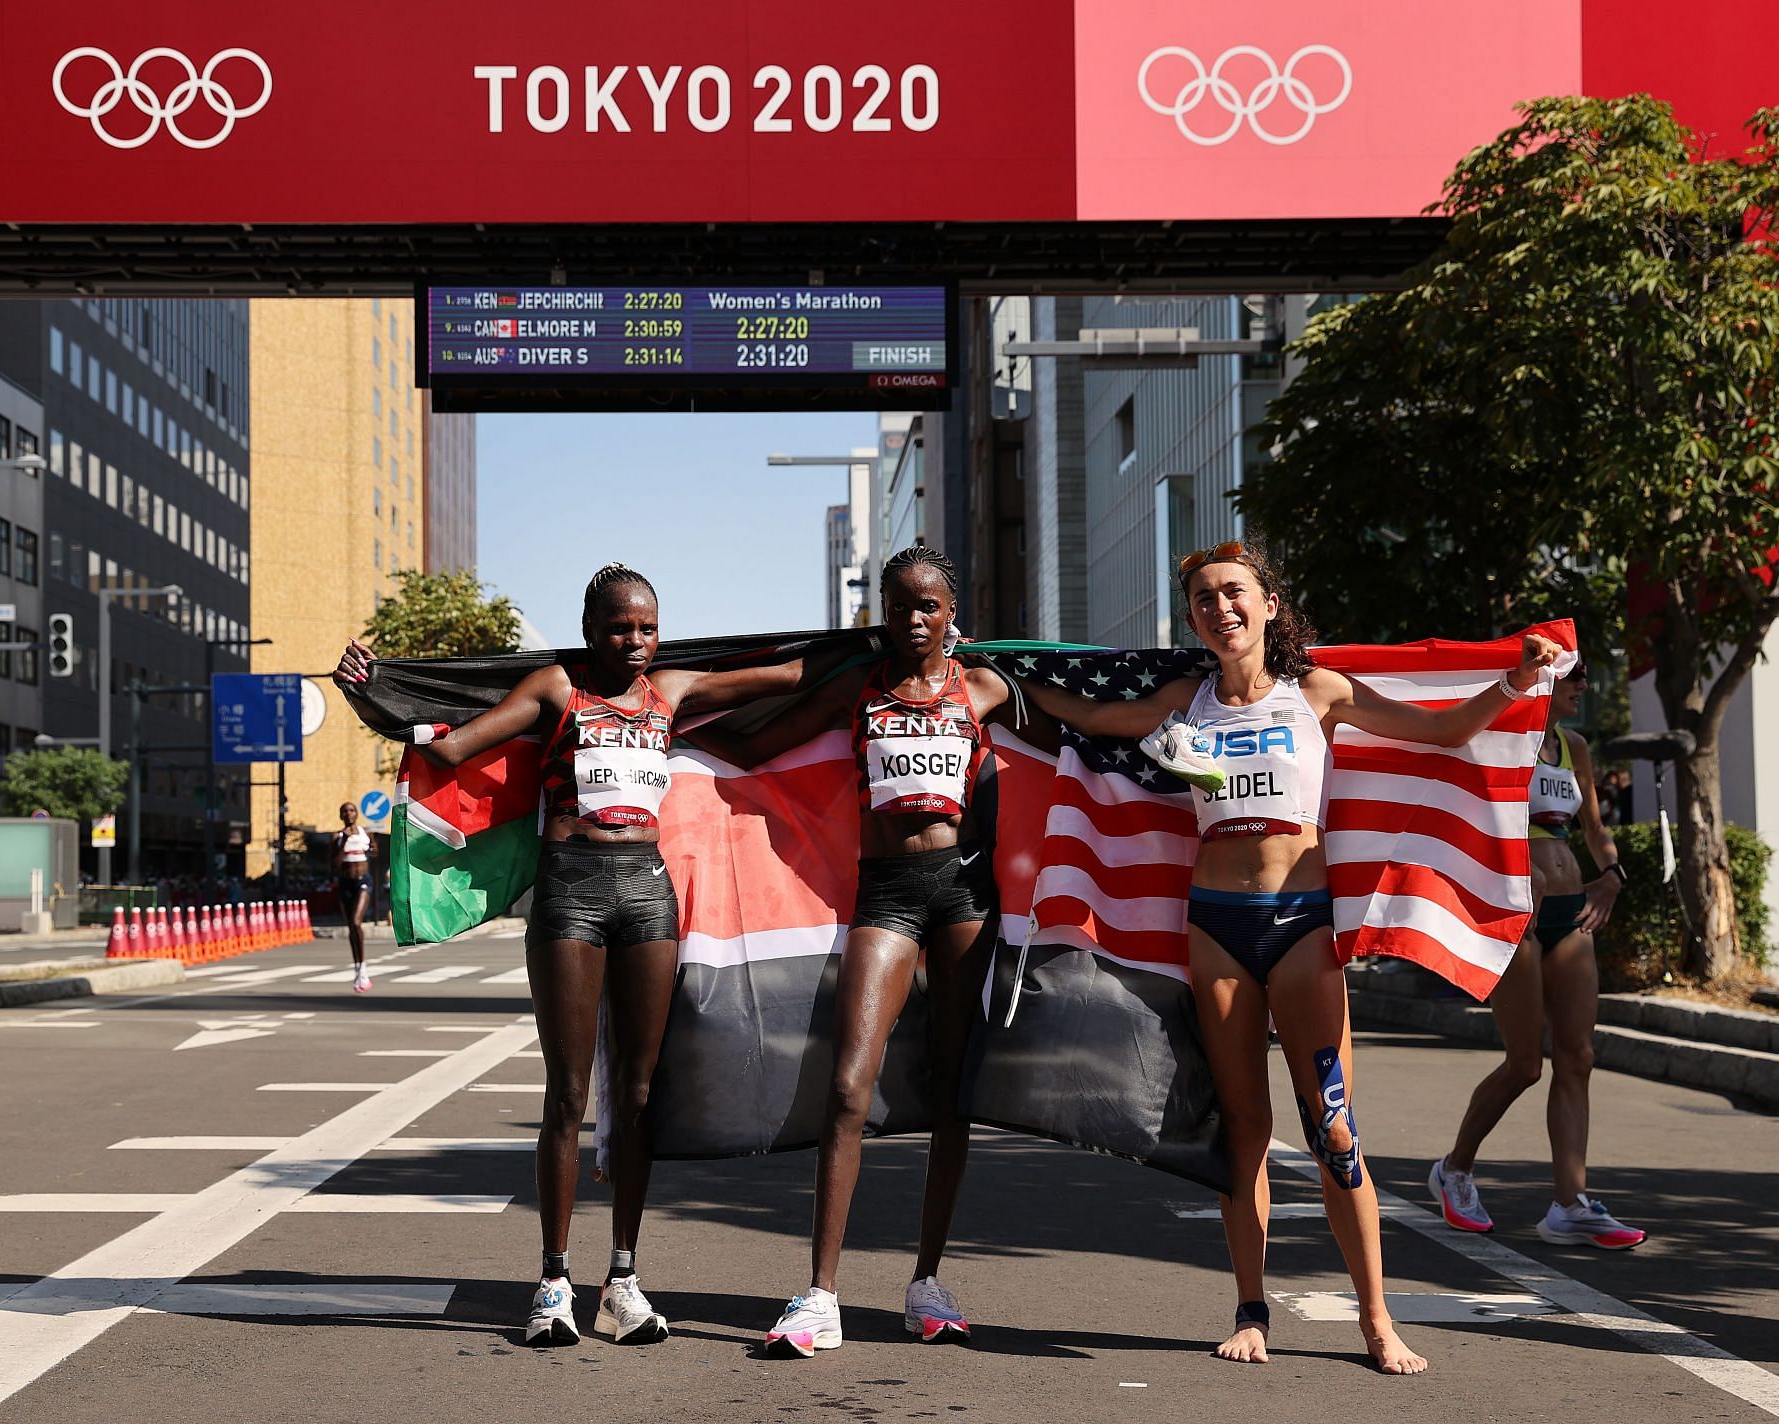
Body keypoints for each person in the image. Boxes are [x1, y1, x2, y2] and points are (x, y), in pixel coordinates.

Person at [1022, 537, 1560, 1376]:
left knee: (1334, 1132)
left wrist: (1516, 682)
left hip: (1303, 922)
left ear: (1270, 605)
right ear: (1193, 619)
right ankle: (1250, 1308)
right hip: (1216, 927)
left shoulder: (1320, 692)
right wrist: (982, 673)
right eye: (1203, 598)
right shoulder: (1182, 700)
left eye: (1234, 592)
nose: (1220, 608)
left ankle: (1377, 1320)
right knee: (1244, 1130)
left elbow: (1444, 730)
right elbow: (1084, 717)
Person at [335, 562, 828, 1349]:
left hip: (648, 893)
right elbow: (457, 745)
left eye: (647, 629)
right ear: (590, 630)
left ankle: (623, 1281)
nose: (634, 642)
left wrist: (891, 650)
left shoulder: (670, 692)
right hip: (571, 892)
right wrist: (374, 698)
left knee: (636, 1094)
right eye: (619, 628)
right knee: (567, 1094)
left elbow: (787, 673)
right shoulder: (555, 691)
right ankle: (554, 1281)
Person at [692, 545, 1013, 1359]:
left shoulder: (984, 687)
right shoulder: (856, 689)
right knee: (847, 1086)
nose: (913, 619)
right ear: (881, 610)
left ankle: (928, 1281)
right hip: (889, 895)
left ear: (951, 614)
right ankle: (820, 1293)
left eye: (929, 606)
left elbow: (1084, 730)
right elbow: (754, 747)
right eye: (899, 605)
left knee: (954, 1093)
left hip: (966, 896)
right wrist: (667, 733)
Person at [1429, 660, 1646, 1250]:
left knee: (1577, 1055)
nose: (1583, 688)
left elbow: (1594, 827)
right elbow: (1468, 821)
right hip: (1511, 912)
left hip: (1571, 910)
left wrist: (1611, 876)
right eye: (1575, 678)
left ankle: (1569, 1203)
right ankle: (1454, 1169)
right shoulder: (1499, 737)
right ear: (1547, 681)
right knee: (1525, 1063)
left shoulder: (1573, 745)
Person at [331, 803, 375, 992]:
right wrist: (343, 843)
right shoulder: (337, 837)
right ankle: (357, 966)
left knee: (357, 922)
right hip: (345, 882)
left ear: (356, 814)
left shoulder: (366, 832)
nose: (348, 814)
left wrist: (373, 850)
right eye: (345, 811)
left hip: (363, 882)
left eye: (351, 810)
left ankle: (363, 967)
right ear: (341, 816)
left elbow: (374, 852)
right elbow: (334, 865)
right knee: (351, 926)